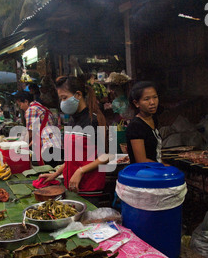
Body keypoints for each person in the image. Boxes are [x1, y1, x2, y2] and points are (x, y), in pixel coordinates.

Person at [40, 76, 109, 205]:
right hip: (72, 187)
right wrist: (56, 174)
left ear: (78, 95)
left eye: (64, 97)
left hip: (89, 189)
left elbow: (105, 157)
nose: (62, 102)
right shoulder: (72, 120)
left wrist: (80, 171)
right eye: (61, 98)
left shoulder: (93, 120)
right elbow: (74, 158)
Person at [14, 91, 62, 166]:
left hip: (48, 145)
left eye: (20, 104)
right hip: (55, 143)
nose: (20, 107)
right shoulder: (41, 107)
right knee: (53, 169)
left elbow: (30, 132)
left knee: (49, 170)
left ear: (26, 101)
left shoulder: (31, 110)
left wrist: (21, 145)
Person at [126, 81, 163, 164]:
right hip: (143, 174)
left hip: (156, 170)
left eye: (155, 97)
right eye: (147, 99)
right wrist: (164, 167)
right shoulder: (136, 126)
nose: (152, 102)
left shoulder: (153, 119)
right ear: (136, 103)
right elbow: (141, 161)